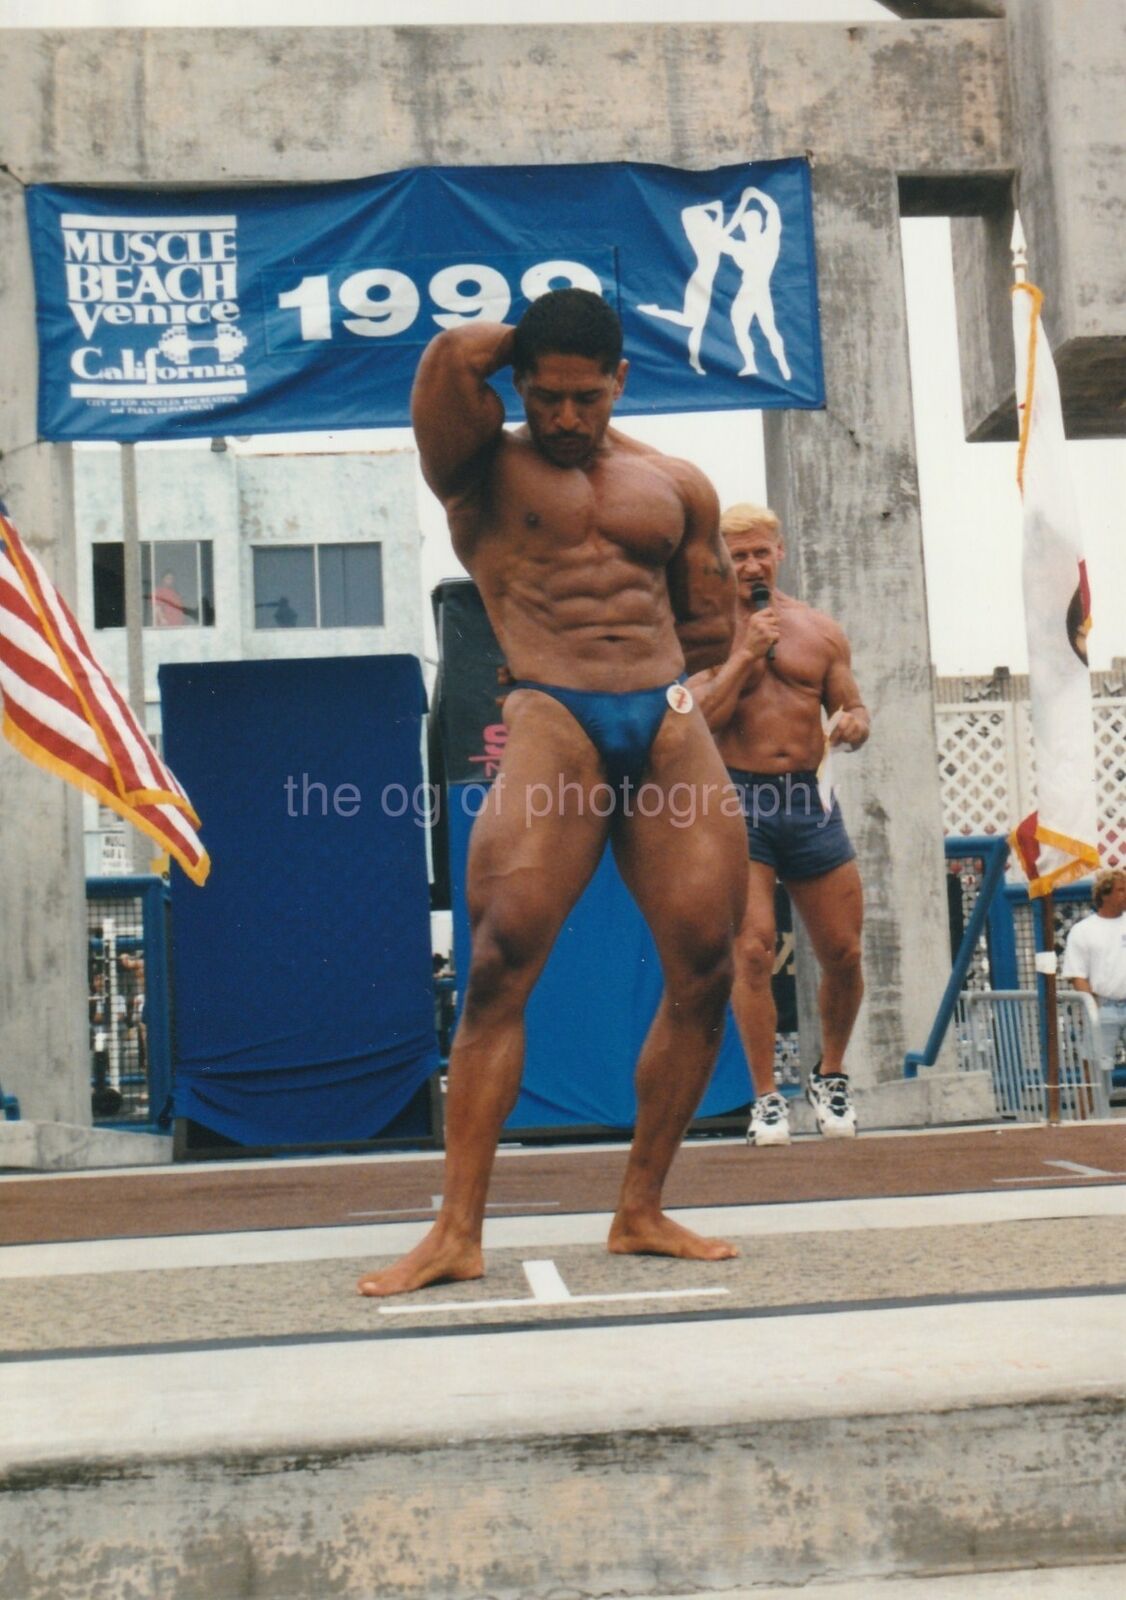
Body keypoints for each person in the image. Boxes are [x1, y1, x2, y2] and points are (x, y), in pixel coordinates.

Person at [358, 288, 748, 1298]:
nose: (566, 418)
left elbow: (709, 623)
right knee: (498, 963)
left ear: (621, 381)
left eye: (586, 398)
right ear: (520, 382)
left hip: (664, 726)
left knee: (705, 963)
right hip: (552, 720)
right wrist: (516, 341)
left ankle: (641, 1208)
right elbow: (447, 359)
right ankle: (454, 1230)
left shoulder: (676, 483)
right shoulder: (478, 464)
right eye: (546, 397)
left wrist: (685, 696)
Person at [689, 502, 869, 1146]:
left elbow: (853, 706)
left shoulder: (819, 629)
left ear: (780, 552)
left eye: (760, 552)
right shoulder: (705, 632)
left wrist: (853, 722)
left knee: (844, 950)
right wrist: (744, 655)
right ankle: (767, 1096)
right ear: (720, 561)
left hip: (809, 798)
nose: (751, 565)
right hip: (737, 797)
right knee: (754, 948)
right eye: (738, 556)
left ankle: (831, 1074)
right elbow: (698, 720)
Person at [1061, 867, 1126, 1074]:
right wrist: (1092, 1008)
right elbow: (1077, 975)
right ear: (1104, 895)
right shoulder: (1083, 931)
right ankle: (1090, 1107)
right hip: (1104, 1006)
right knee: (1094, 1074)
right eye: (1121, 890)